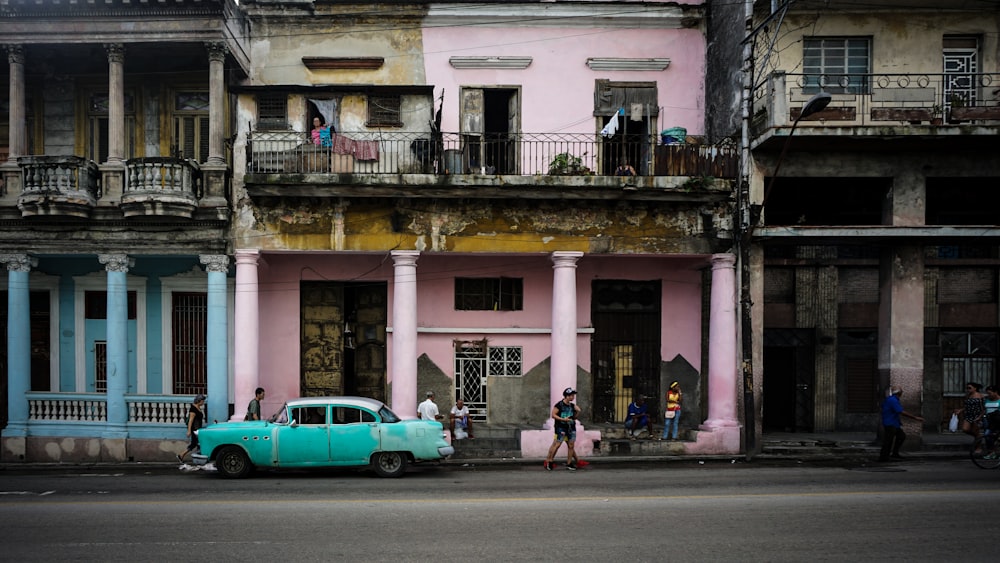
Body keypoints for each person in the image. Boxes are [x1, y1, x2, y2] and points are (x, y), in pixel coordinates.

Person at [879, 387, 923, 462]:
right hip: (890, 423)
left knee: (901, 436)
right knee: (888, 440)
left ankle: (893, 453)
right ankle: (884, 457)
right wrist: (915, 417)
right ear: (899, 393)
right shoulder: (893, 400)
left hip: (893, 423)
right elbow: (901, 411)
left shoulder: (891, 399)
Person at [544, 388, 581, 471]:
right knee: (557, 444)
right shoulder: (559, 405)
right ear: (566, 396)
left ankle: (569, 463)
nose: (572, 397)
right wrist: (563, 419)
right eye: (571, 396)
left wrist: (578, 412)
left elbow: (574, 418)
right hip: (561, 427)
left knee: (571, 445)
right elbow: (553, 415)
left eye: (573, 396)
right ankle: (550, 461)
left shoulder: (572, 406)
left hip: (571, 427)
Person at [176, 394, 206, 464]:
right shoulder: (193, 409)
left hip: (198, 429)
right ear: (199, 401)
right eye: (202, 401)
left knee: (197, 443)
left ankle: (199, 458)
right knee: (195, 443)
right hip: (194, 429)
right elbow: (190, 421)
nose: (203, 402)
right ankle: (181, 455)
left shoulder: (198, 408)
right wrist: (189, 431)